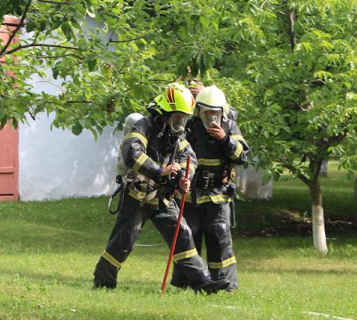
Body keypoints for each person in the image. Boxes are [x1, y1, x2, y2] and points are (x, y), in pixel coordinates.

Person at [93, 82, 230, 293]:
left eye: (184, 118)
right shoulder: (143, 126)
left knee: (183, 236)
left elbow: (189, 157)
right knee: (124, 240)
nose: (182, 124)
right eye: (178, 118)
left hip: (164, 198)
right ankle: (103, 282)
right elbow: (132, 154)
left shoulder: (176, 134)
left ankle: (203, 283)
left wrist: (186, 176)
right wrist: (159, 171)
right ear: (165, 112)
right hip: (138, 195)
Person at [170, 85, 250, 291]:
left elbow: (242, 156)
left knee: (219, 235)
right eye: (207, 113)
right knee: (188, 237)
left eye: (215, 113)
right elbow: (175, 152)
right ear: (198, 111)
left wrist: (224, 139)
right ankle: (186, 282)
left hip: (218, 195)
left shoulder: (230, 126)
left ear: (222, 112)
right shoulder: (189, 126)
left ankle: (226, 284)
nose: (211, 118)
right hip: (190, 195)